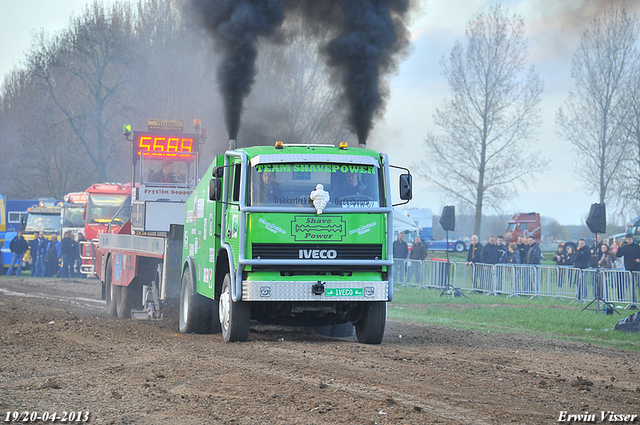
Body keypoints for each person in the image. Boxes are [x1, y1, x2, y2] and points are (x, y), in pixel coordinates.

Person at [615, 233, 640, 303]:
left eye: (629, 239)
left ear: (632, 239)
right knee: (631, 287)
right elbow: (618, 255)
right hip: (629, 269)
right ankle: (633, 301)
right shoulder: (624, 247)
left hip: (637, 268)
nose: (628, 241)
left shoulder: (637, 246)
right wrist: (619, 247)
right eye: (627, 239)